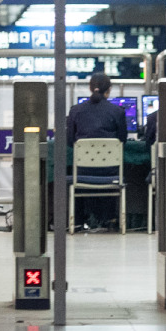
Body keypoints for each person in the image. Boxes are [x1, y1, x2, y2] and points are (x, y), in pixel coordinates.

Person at [65, 72, 127, 229]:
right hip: (110, 171)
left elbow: (70, 140)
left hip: (82, 171)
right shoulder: (117, 111)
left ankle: (78, 221)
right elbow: (122, 141)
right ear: (110, 90)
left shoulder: (75, 111)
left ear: (90, 88)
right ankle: (110, 220)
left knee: (71, 172)